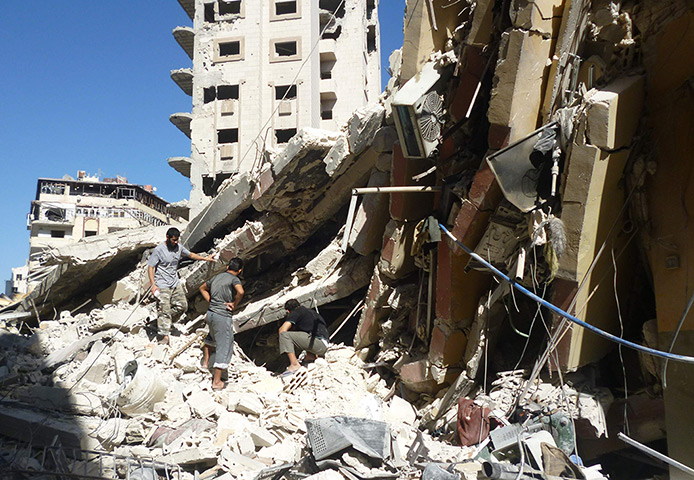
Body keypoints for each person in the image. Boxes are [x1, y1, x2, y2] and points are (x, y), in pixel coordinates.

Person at [148, 227, 216, 345]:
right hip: (162, 285)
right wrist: (153, 285)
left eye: (177, 240)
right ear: (167, 237)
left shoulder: (178, 248)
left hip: (174, 283)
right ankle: (164, 336)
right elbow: (150, 267)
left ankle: (164, 322)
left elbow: (190, 255)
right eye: (173, 240)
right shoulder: (159, 250)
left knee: (182, 306)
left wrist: (205, 258)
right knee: (164, 309)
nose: (176, 242)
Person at [199, 257, 244, 390]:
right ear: (239, 270)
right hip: (222, 315)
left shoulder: (217, 277)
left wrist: (211, 301)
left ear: (227, 267)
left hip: (211, 313)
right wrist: (234, 304)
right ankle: (217, 381)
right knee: (225, 345)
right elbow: (241, 291)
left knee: (211, 337)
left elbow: (202, 288)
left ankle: (205, 364)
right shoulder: (234, 279)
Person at [279, 299, 330, 376]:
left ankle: (294, 364)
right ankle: (310, 357)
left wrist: (283, 342)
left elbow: (282, 330)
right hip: (323, 345)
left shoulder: (295, 312)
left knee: (284, 335)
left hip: (318, 344)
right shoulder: (310, 312)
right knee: (304, 334)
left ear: (288, 311)